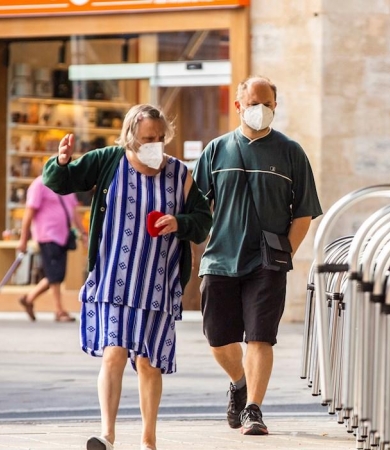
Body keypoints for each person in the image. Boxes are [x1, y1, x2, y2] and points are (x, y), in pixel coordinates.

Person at [42, 104, 212, 450]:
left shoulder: (179, 174)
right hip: (113, 280)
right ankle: (107, 433)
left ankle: (148, 439)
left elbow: (203, 220)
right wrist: (59, 162)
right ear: (130, 138)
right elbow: (61, 182)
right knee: (114, 353)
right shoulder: (108, 161)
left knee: (149, 363)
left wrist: (180, 223)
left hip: (157, 283)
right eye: (148, 138)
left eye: (160, 138)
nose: (155, 144)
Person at [193, 76, 322, 435]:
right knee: (218, 338)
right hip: (220, 259)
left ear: (275, 107)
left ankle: (253, 409)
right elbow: (194, 206)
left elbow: (304, 212)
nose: (259, 110)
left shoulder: (290, 152)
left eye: (266, 103)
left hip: (267, 263)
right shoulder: (216, 151)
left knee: (260, 337)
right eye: (252, 103)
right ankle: (239, 382)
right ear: (238, 106)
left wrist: (285, 254)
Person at [17, 175, 87, 322]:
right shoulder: (39, 184)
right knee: (55, 274)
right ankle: (59, 310)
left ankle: (29, 299)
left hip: (63, 236)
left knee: (57, 275)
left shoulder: (67, 183)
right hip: (47, 235)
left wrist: (84, 233)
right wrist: (23, 240)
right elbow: (29, 213)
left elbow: (73, 212)